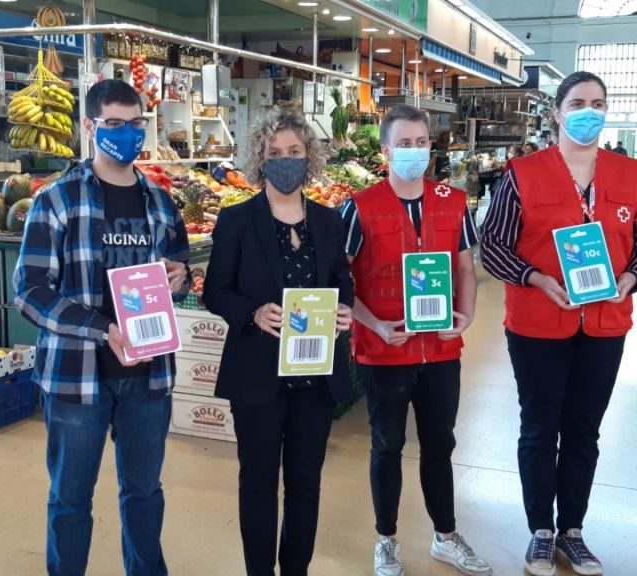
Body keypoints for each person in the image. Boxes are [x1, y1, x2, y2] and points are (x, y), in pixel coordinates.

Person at [13, 79, 190, 576]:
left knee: (144, 493)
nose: (127, 134)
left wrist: (181, 278)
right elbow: (29, 291)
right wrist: (102, 329)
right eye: (114, 123)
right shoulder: (57, 200)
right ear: (90, 127)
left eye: (135, 124)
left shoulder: (161, 202)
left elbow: (176, 277)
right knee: (70, 498)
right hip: (77, 377)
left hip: (148, 376)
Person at [480, 71, 637, 576]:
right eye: (578, 103)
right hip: (537, 325)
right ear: (557, 113)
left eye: (598, 103)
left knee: (584, 431)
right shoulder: (522, 174)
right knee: (540, 427)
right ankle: (541, 532)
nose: (589, 111)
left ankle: (573, 530)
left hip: (605, 324)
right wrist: (536, 278)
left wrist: (631, 277)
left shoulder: (630, 174)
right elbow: (494, 246)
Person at [341, 105, 491, 576]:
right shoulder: (359, 206)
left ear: (431, 147)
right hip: (383, 350)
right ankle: (386, 540)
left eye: (421, 142)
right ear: (386, 151)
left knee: (440, 443)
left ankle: (445, 535)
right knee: (387, 444)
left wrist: (467, 315)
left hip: (441, 350)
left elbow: (464, 265)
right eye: (403, 144)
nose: (414, 151)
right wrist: (375, 325)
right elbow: (341, 279)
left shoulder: (454, 201)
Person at [203, 108, 354, 576]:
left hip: (315, 377)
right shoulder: (237, 220)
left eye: (294, 151)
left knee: (306, 484)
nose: (285, 160)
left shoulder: (328, 220)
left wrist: (344, 310)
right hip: (257, 375)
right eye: (274, 153)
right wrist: (251, 312)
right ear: (260, 158)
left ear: (309, 156)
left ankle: (296, 569)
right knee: (258, 483)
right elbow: (215, 291)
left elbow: (341, 281)